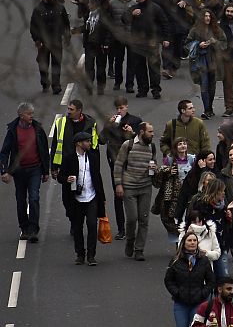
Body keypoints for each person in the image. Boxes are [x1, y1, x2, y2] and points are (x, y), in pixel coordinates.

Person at [1, 102, 50, 242]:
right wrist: (4, 170)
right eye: (29, 114)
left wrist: (45, 171)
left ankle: (33, 229)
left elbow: (44, 150)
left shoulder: (38, 128)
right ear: (21, 115)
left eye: (32, 113)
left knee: (34, 197)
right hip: (19, 171)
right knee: (21, 200)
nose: (31, 116)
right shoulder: (13, 130)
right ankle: (24, 228)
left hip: (35, 169)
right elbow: (4, 152)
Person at [58, 131, 107, 266]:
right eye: (87, 141)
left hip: (91, 196)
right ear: (79, 143)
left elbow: (98, 177)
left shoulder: (92, 157)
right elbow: (60, 176)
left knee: (92, 225)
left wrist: (102, 197)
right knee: (77, 227)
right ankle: (80, 254)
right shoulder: (69, 158)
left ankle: (91, 255)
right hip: (76, 198)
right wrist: (67, 179)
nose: (90, 143)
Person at [114, 121, 159, 261]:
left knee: (144, 219)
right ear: (141, 132)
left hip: (145, 187)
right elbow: (119, 164)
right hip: (130, 187)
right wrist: (118, 185)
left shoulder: (152, 146)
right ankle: (130, 240)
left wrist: (155, 169)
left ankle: (139, 249)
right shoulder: (128, 145)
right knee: (132, 218)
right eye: (150, 132)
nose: (152, 134)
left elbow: (154, 163)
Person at [165, 231, 216, 327]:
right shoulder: (176, 260)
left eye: (194, 240)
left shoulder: (203, 260)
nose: (192, 242)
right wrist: (177, 292)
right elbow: (168, 280)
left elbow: (211, 280)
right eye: (189, 240)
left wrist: (203, 293)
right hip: (181, 303)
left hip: (199, 302)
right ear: (184, 243)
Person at [30, 0, 72, 94]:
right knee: (43, 64)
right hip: (44, 42)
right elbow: (33, 26)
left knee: (56, 64)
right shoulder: (38, 10)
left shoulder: (60, 8)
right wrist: (37, 39)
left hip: (56, 41)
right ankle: (45, 83)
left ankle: (56, 85)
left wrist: (67, 37)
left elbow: (66, 24)